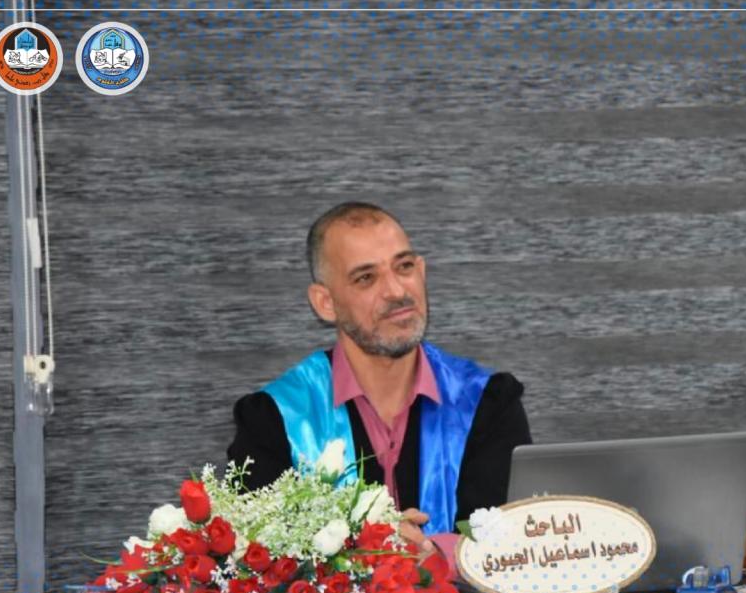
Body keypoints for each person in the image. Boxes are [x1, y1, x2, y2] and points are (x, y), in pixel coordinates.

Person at [227, 201, 531, 560]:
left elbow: (514, 540)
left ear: (421, 271)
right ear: (325, 302)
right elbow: (259, 558)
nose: (396, 291)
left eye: (404, 267)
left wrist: (431, 553)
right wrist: (364, 551)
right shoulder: (275, 419)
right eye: (366, 278)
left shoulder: (486, 402)